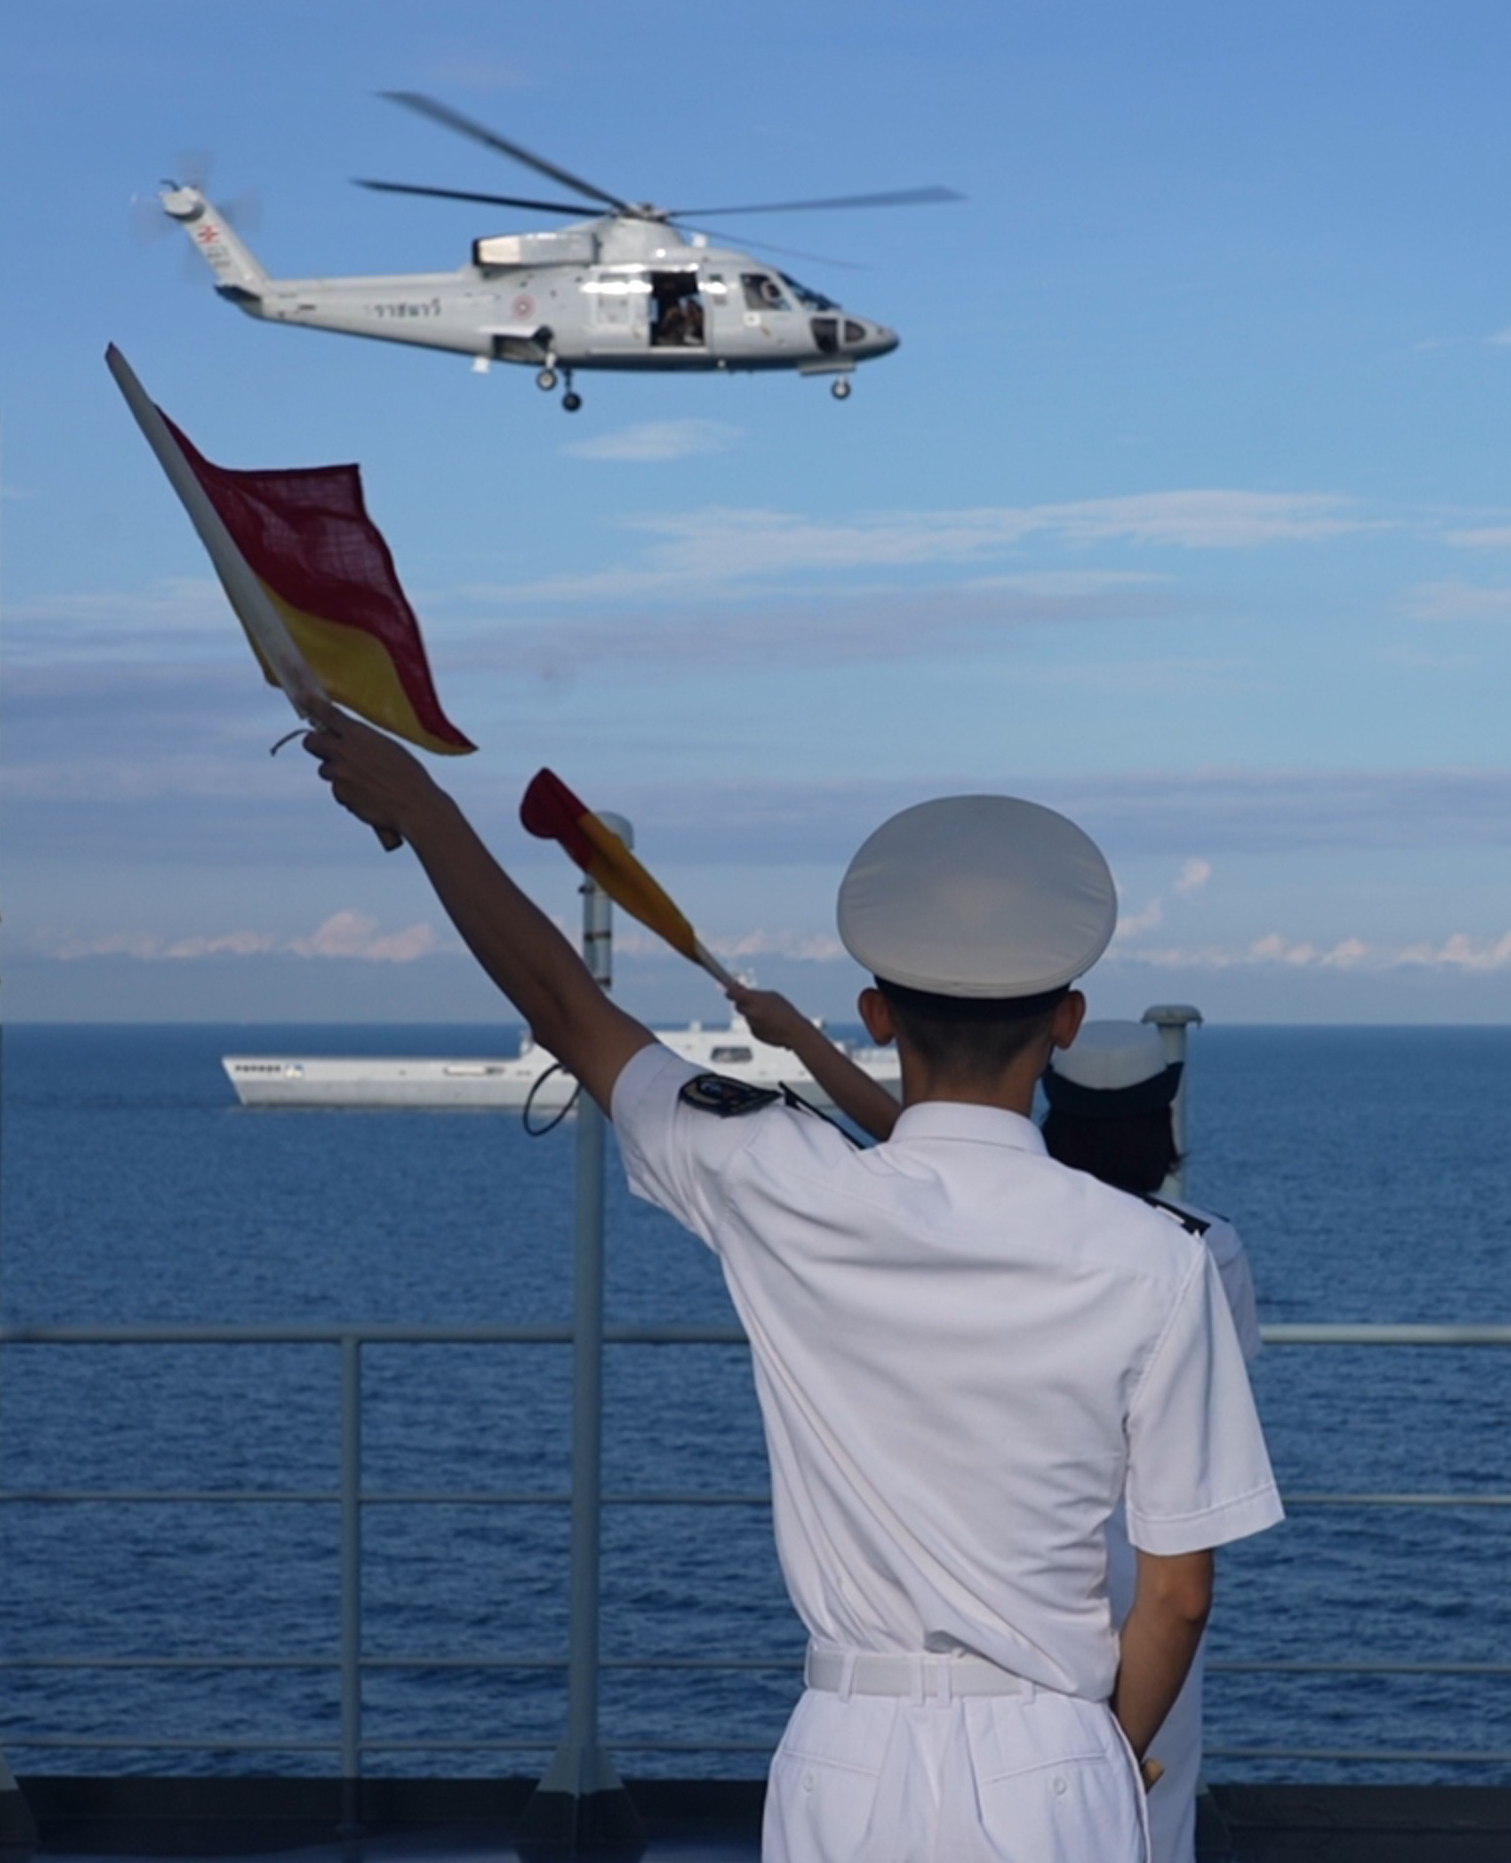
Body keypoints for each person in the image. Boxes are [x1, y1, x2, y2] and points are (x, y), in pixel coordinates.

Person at [303, 719, 1280, 1862]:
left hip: (846, 1746)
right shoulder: (1161, 1260)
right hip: (1052, 1747)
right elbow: (1178, 1597)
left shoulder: (780, 1182)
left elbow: (567, 1011)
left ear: (876, 1013)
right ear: (1064, 1023)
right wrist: (1104, 1756)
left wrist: (423, 810)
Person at [740, 990, 1261, 1863]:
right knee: (1147, 1815)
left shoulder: (1007, 1225)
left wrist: (800, 1040)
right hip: (1152, 1582)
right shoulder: (1199, 1251)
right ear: (1161, 1116)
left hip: (1024, 1581)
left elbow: (916, 1141)